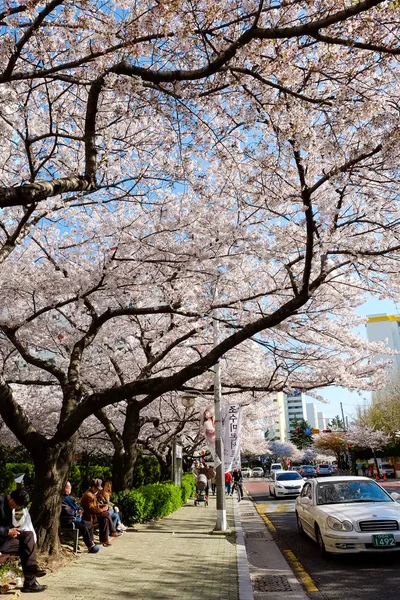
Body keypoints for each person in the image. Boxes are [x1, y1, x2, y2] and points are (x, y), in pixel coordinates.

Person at [0, 488, 47, 593]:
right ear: (11, 499)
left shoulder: (12, 507)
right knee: (26, 546)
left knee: (28, 536)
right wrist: (7, 531)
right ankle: (30, 581)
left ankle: (32, 569)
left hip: (6, 539)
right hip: (2, 540)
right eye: (16, 505)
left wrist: (13, 529)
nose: (16, 508)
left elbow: (10, 524)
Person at [61, 482, 100, 553]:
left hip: (75, 518)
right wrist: (77, 512)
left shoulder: (68, 497)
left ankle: (91, 543)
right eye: (69, 487)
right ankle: (90, 545)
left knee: (90, 524)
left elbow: (77, 506)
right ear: (64, 488)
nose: (70, 489)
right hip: (69, 520)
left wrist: (80, 510)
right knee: (83, 526)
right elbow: (67, 510)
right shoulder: (63, 498)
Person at [80, 479, 121, 546]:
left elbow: (96, 505)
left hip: (93, 516)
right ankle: (112, 531)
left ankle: (104, 540)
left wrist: (102, 505)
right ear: (93, 487)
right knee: (106, 514)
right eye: (97, 488)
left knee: (105, 519)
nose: (98, 490)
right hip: (89, 517)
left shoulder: (92, 494)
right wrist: (103, 509)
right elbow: (92, 509)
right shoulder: (88, 495)